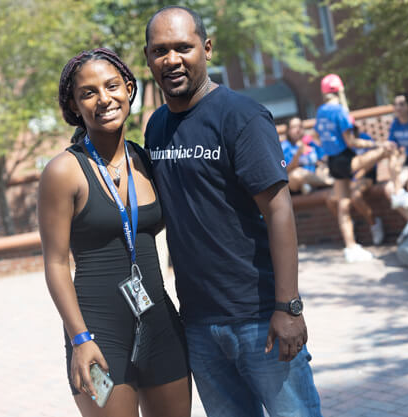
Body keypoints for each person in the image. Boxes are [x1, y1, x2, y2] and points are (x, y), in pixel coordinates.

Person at [143, 6, 322, 417]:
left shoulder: (241, 116)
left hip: (260, 316)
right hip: (200, 325)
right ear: (149, 57)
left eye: (183, 48)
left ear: (206, 48)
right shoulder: (155, 127)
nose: (171, 60)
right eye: (159, 51)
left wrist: (288, 307)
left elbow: (279, 211)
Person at [38, 48, 190, 417]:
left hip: (161, 325)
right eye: (88, 93)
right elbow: (56, 264)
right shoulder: (63, 172)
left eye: (111, 86)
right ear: (74, 106)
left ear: (128, 89)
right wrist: (79, 339)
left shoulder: (146, 159)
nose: (104, 99)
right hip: (97, 333)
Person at [314, 74, 395, 262]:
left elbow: (317, 137)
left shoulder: (320, 111)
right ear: (340, 90)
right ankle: (397, 190)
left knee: (343, 205)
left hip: (333, 161)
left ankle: (350, 247)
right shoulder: (340, 111)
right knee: (385, 150)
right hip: (345, 159)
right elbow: (351, 142)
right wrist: (377, 144)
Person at [326, 122, 384, 246]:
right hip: (348, 176)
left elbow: (372, 162)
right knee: (331, 199)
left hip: (366, 175)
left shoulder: (365, 139)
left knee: (356, 196)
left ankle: (374, 223)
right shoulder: (343, 145)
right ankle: (349, 225)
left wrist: (357, 177)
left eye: (352, 129)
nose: (350, 131)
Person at [281, 117, 333, 194]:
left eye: (300, 126)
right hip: (296, 180)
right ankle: (328, 182)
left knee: (326, 169)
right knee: (296, 175)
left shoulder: (310, 142)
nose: (298, 130)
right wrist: (298, 154)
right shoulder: (285, 146)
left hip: (315, 175)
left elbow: (324, 158)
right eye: (294, 127)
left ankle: (311, 184)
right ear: (288, 131)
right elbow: (286, 171)